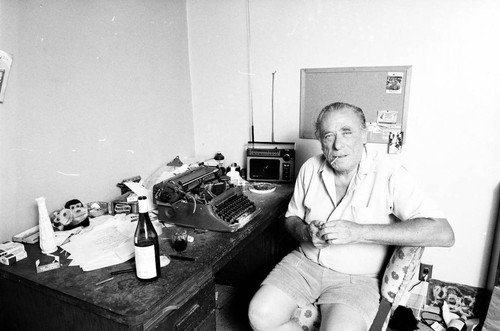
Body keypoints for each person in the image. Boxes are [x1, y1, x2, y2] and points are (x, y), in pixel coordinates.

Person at [248, 102, 455, 331]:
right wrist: (305, 232)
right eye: (328, 136)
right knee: (260, 316)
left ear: (364, 135)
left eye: (347, 132)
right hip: (304, 264)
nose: (337, 145)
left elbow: (443, 233)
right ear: (321, 141)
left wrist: (359, 231)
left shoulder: (389, 173)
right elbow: (291, 219)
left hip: (357, 279)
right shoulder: (310, 168)